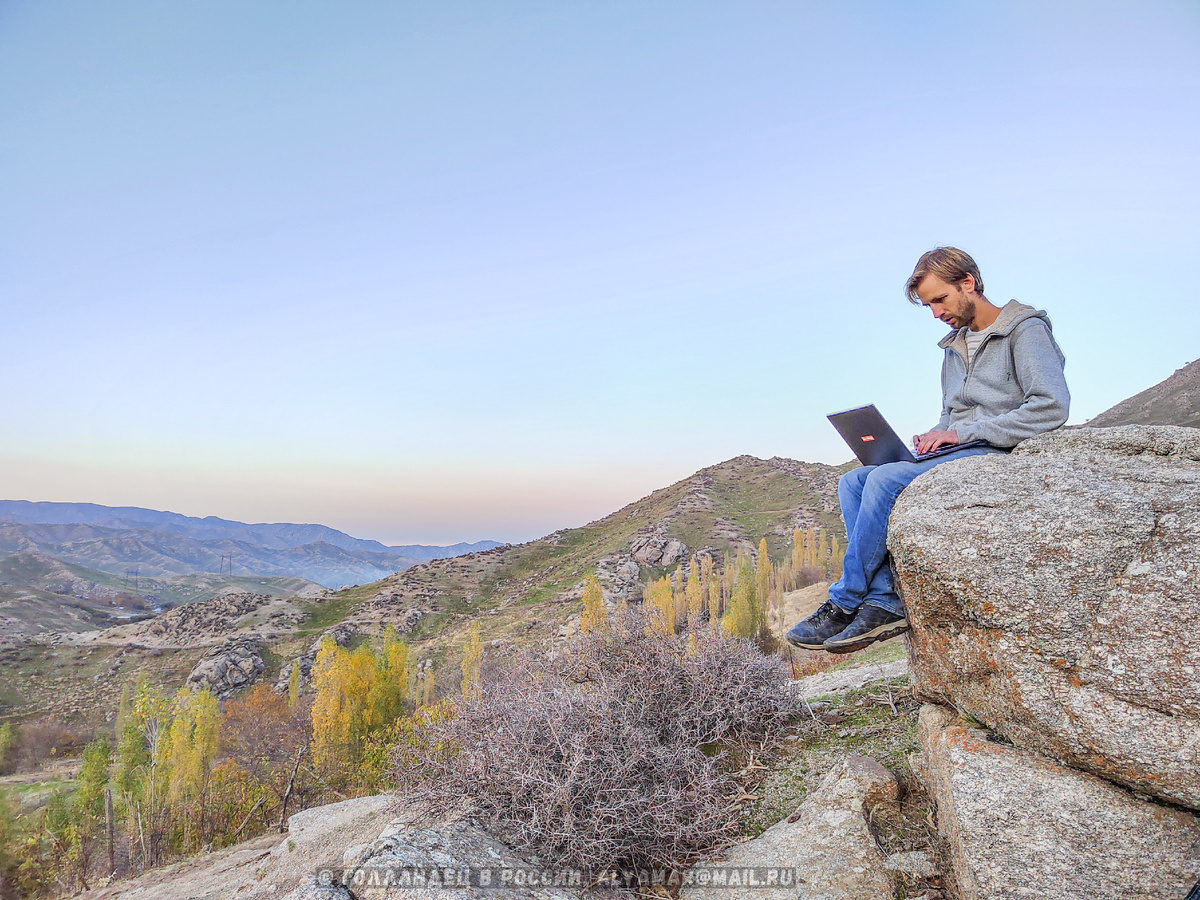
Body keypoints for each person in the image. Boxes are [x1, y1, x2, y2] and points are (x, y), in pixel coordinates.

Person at [786, 247, 1069, 654]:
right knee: (852, 481)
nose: (936, 313)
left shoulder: (1025, 330)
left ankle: (844, 602)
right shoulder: (954, 347)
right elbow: (951, 414)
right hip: (963, 447)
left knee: (883, 479)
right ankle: (884, 598)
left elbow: (1051, 406)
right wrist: (935, 434)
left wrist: (963, 433)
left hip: (999, 451)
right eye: (928, 306)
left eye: (940, 300)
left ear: (967, 283)